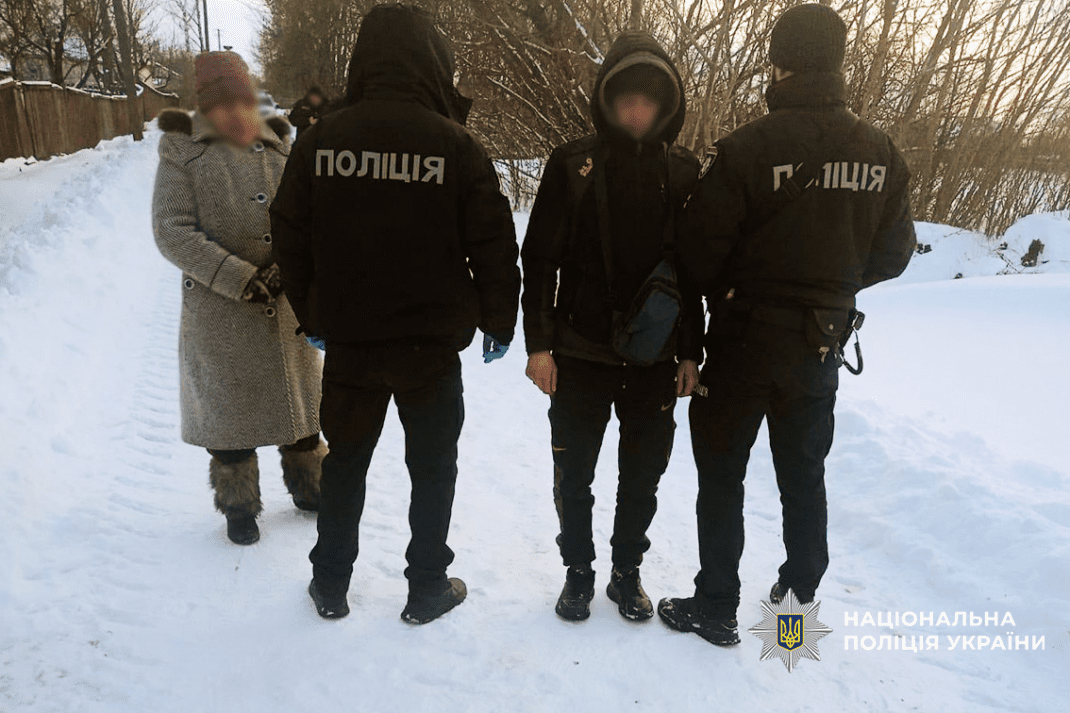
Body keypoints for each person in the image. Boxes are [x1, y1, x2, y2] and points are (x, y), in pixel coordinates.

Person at [658, 4, 917, 646]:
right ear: (839, 63)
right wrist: (831, 287)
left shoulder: (747, 148)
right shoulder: (881, 152)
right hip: (820, 344)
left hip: (743, 339)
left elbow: (696, 251)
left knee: (723, 477)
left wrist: (737, 286)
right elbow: (894, 254)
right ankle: (794, 613)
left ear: (778, 64)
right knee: (804, 479)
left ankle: (715, 606)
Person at [269, 4, 520, 625]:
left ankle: (330, 584)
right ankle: (426, 586)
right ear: (432, 60)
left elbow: (288, 231)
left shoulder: (321, 140)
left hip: (351, 343)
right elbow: (493, 241)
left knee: (346, 463)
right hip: (428, 349)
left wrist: (313, 311)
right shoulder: (455, 143)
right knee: (433, 469)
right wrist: (499, 319)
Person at [521, 30, 703, 623]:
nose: (636, 110)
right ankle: (578, 571)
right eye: (626, 97)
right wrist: (539, 345)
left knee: (642, 478)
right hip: (579, 351)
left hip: (655, 358)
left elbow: (693, 273)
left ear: (666, 106)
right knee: (573, 472)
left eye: (648, 100)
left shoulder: (684, 172)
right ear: (607, 98)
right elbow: (539, 259)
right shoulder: (572, 165)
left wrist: (691, 352)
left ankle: (627, 572)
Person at [152, 51, 327, 547]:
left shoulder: (280, 141)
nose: (233, 108)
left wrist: (291, 266)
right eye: (220, 99)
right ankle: (239, 505)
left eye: (239, 96)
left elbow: (307, 213)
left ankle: (312, 486)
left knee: (300, 410)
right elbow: (172, 230)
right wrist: (239, 278)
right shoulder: (182, 148)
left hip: (285, 306)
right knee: (230, 422)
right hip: (221, 310)